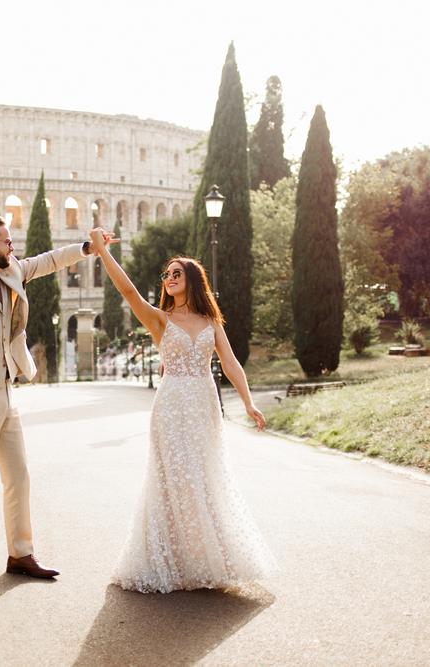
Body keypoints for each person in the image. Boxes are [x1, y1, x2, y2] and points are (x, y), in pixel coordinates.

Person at [88, 228, 276, 593]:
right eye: (167, 274)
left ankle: (207, 558)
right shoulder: (160, 320)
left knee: (203, 478)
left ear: (192, 279)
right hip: (171, 406)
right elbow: (127, 291)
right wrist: (101, 251)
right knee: (173, 480)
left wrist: (249, 401)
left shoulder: (211, 322)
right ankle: (169, 561)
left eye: (177, 273)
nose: (170, 278)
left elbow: (231, 363)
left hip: (204, 405)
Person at [0, 215, 115, 588]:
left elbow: (46, 261)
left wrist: (87, 248)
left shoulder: (12, 269)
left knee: (18, 476)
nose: (13, 248)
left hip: (6, 392)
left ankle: (20, 553)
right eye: (7, 241)